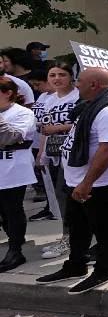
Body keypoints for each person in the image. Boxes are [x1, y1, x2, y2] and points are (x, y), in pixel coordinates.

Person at [35, 67, 108, 294]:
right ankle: (76, 266)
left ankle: (104, 269)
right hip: (78, 181)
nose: (76, 84)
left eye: (79, 81)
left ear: (94, 85)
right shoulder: (91, 105)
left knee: (105, 228)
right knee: (78, 228)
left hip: (101, 184)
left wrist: (87, 183)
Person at [32, 62, 78, 258]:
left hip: (73, 153)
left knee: (68, 195)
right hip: (53, 154)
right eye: (53, 75)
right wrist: (41, 154)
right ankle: (68, 236)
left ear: (71, 77)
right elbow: (45, 129)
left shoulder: (78, 96)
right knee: (60, 197)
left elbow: (82, 123)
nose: (57, 79)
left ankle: (70, 238)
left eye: (62, 74)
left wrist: (59, 128)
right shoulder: (49, 100)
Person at [0, 77, 37, 272]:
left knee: (12, 209)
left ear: (8, 93)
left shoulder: (23, 113)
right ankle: (13, 237)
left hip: (13, 169)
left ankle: (16, 250)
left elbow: (12, 137)